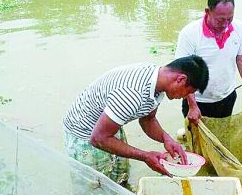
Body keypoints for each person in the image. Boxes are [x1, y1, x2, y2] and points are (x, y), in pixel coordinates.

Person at [63, 55, 209, 183]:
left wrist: (166, 139)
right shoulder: (132, 94)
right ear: (181, 79)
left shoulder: (159, 82)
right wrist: (145, 156)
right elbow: (98, 138)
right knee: (96, 192)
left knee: (120, 178)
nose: (184, 97)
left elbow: (148, 120)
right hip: (86, 134)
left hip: (110, 124)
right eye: (188, 92)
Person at [175, 0, 242, 124]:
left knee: (221, 138)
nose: (226, 24)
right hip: (199, 101)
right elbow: (183, 74)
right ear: (207, 12)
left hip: (227, 97)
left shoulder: (238, 28)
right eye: (220, 20)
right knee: (196, 143)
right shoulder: (189, 34)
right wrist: (192, 106)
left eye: (230, 18)